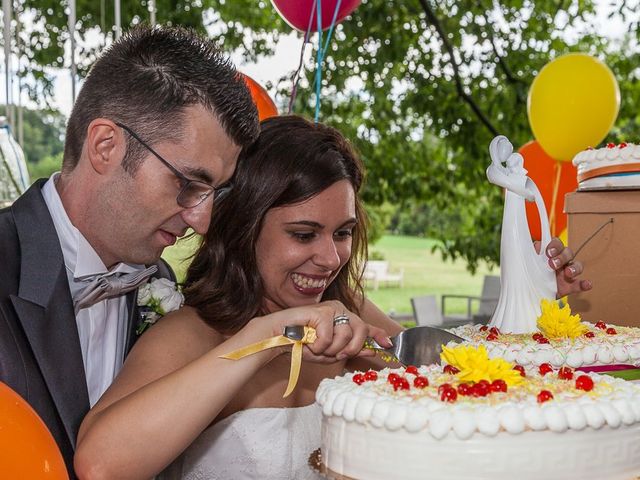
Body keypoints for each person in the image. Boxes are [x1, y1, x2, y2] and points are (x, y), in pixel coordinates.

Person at [74, 115, 590, 479]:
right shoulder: (191, 335)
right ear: (242, 228)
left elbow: (472, 386)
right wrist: (271, 334)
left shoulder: (351, 311)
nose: (329, 258)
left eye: (342, 232)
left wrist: (539, 303)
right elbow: (101, 464)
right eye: (303, 234)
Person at [0, 24, 261, 477]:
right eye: (187, 184)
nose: (201, 220)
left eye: (213, 193)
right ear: (106, 145)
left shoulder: (160, 283)